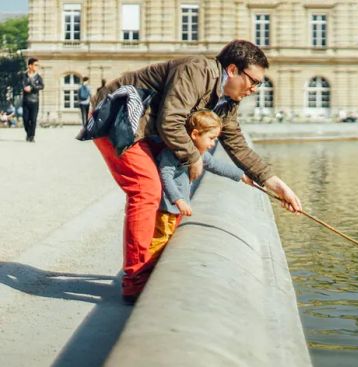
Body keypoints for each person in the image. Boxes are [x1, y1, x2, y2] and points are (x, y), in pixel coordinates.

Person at [90, 39, 302, 303]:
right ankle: (135, 282)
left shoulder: (227, 100)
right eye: (253, 81)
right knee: (146, 190)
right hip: (117, 117)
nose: (254, 89)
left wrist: (277, 185)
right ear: (233, 70)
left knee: (168, 192)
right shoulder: (197, 70)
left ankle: (152, 263)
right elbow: (171, 121)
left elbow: (235, 143)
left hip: (147, 129)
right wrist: (194, 158)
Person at [149, 110, 253, 267]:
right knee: (160, 241)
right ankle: (146, 276)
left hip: (175, 209)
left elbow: (215, 165)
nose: (213, 144)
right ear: (195, 134)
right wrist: (179, 200)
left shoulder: (198, 153)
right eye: (211, 138)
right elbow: (165, 176)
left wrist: (241, 176)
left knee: (167, 241)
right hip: (166, 208)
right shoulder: (174, 151)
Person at [21, 57, 44, 142]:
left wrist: (32, 87)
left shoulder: (38, 77)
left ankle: (32, 136)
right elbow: (22, 84)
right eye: (35, 65)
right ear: (30, 65)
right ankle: (28, 133)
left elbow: (42, 86)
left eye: (37, 65)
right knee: (25, 120)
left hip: (35, 101)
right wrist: (24, 87)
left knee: (33, 120)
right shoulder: (24, 75)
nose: (37, 66)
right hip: (26, 100)